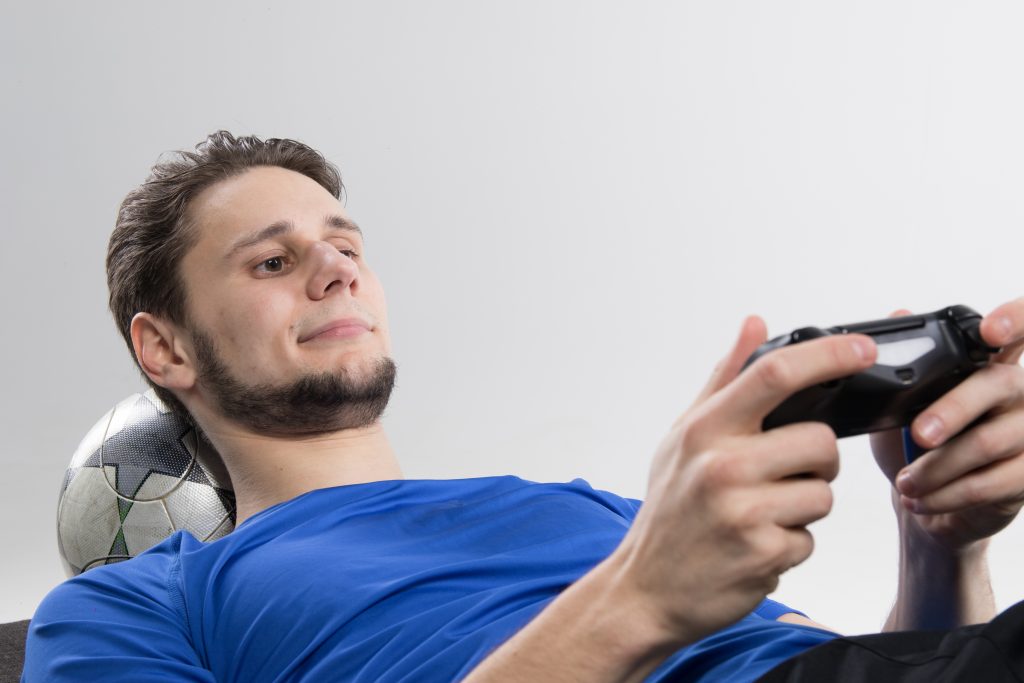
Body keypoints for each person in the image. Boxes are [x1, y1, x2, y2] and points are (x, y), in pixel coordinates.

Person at [21, 131, 1024, 682]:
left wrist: (938, 538)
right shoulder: (144, 602)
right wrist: (633, 600)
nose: (336, 269)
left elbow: (882, 663)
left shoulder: (596, 512)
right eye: (275, 260)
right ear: (165, 345)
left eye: (347, 245)